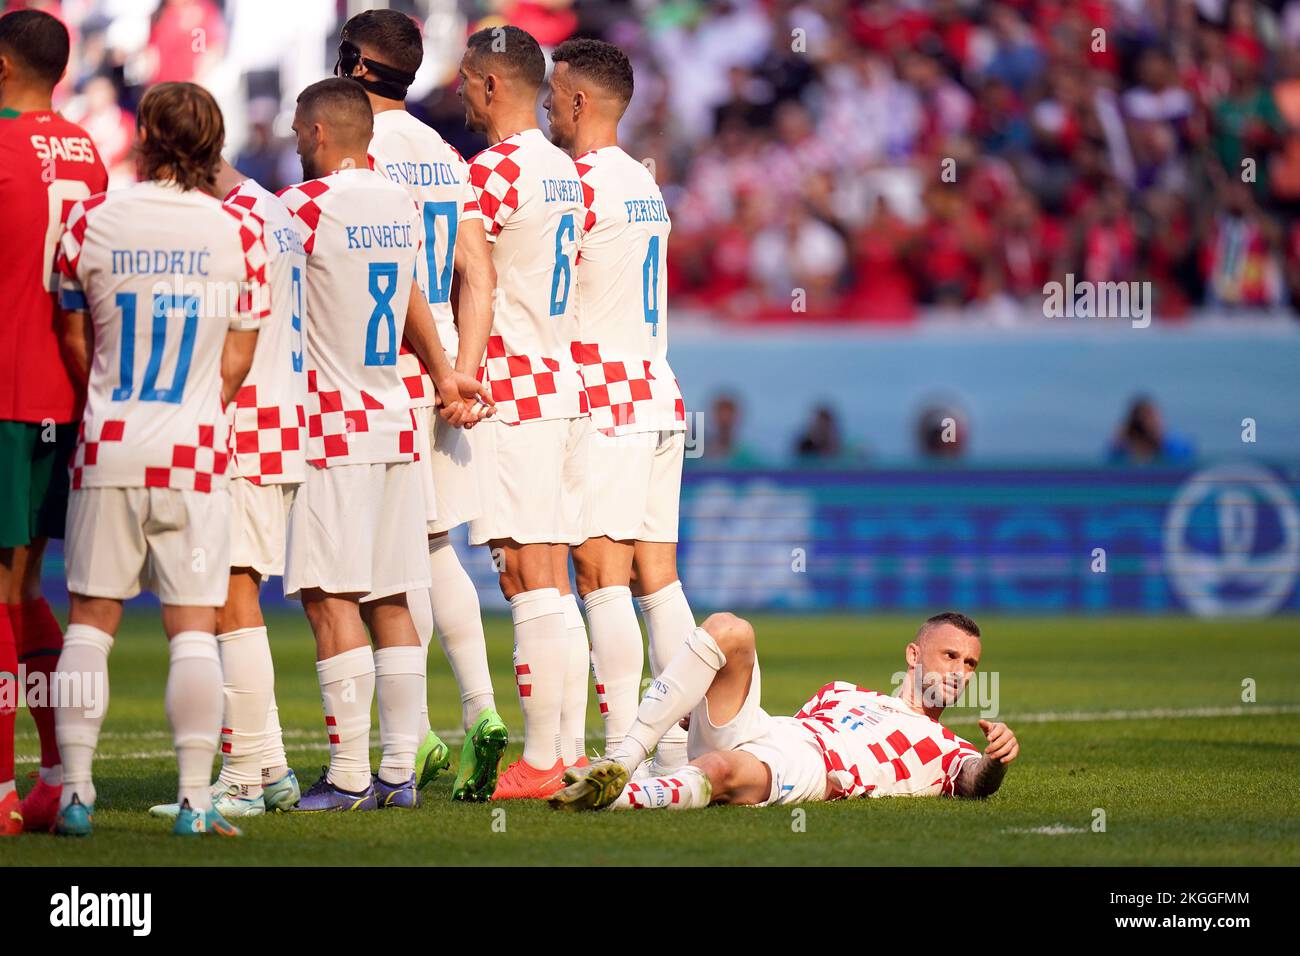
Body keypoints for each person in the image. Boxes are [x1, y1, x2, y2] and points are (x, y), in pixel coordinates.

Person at [52, 81, 268, 837]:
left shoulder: (90, 221)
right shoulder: (239, 232)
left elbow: (75, 341)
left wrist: (110, 398)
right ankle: (195, 801)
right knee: (193, 628)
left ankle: (75, 795)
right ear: (214, 142)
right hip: (196, 447)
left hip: (110, 437)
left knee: (89, 621)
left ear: (144, 134)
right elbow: (238, 360)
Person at [278, 77, 489, 812]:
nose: (296, 140)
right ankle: (399, 772)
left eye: (301, 130)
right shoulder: (398, 205)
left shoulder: (300, 209)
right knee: (394, 592)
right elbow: (412, 302)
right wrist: (444, 376)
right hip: (396, 416)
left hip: (327, 425)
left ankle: (345, 775)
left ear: (322, 134)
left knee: (330, 596)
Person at [337, 8, 507, 802]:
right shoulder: (445, 153)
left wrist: (434, 368)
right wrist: (463, 371)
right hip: (444, 363)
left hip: (384, 365)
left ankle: (403, 750)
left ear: (355, 66)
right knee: (438, 548)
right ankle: (473, 714)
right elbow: (476, 267)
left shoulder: (354, 149)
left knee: (381, 565)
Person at [544, 38, 696, 774]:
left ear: (578, 100)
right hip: (658, 391)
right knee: (657, 579)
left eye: (552, 90)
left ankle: (620, 754)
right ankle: (676, 746)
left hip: (604, 398)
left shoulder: (576, 185)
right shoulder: (643, 181)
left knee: (602, 576)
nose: (544, 101)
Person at [146, 157, 307, 821]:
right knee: (231, 599)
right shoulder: (279, 215)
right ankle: (269, 768)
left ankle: (242, 780)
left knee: (230, 601)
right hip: (282, 421)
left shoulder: (233, 223)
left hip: (244, 426)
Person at [457, 25, 592, 798]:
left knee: (528, 575)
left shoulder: (495, 172)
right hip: (562, 382)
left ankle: (543, 761)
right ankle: (566, 752)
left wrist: (461, 373)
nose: (461, 93)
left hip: (514, 386)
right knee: (552, 578)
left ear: (492, 85)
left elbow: (470, 278)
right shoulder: (565, 172)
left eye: (467, 80)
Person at [551, 611, 1019, 811]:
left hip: (815, 767)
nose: (960, 670)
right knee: (731, 629)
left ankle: (612, 796)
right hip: (776, 729)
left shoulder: (947, 747)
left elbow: (975, 782)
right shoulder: (843, 692)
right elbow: (785, 728)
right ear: (914, 656)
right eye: (950, 656)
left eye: (971, 663)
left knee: (721, 770)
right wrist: (702, 703)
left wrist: (994, 759)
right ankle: (625, 759)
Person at [0, 7, 108, 836]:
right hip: (62, 396)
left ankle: (3, 793)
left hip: (5, 394)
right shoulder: (87, 153)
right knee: (26, 587)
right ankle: (58, 781)